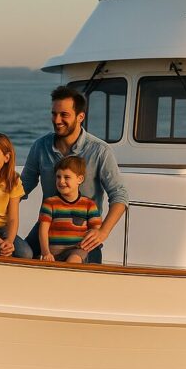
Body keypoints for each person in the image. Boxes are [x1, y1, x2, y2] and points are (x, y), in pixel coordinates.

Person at [22, 86, 128, 263]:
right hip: (47, 227)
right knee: (19, 255)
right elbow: (22, 186)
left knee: (82, 269)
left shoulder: (100, 151)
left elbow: (120, 195)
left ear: (80, 117)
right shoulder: (40, 146)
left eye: (64, 115)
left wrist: (102, 232)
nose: (57, 120)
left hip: (83, 233)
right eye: (54, 114)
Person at [38, 156, 102, 263]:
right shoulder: (50, 203)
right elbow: (43, 230)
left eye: (67, 177)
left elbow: (96, 229)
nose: (61, 181)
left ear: (79, 179)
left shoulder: (89, 204)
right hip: (54, 253)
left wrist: (92, 236)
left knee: (73, 259)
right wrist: (46, 253)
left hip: (77, 250)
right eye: (58, 177)